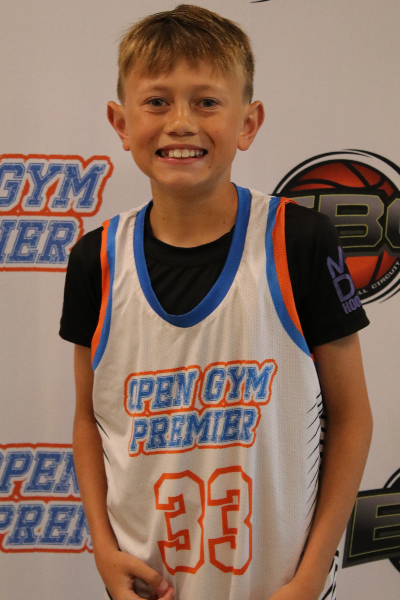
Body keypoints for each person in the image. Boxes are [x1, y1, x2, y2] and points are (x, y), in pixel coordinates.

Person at [60, 5, 373, 600]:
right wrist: (102, 547)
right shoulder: (95, 259)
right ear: (120, 122)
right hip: (149, 587)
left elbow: (352, 417)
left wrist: (311, 577)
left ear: (248, 123)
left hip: (282, 587)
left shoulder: (299, 241)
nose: (181, 123)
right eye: (156, 101)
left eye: (206, 101)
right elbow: (87, 418)